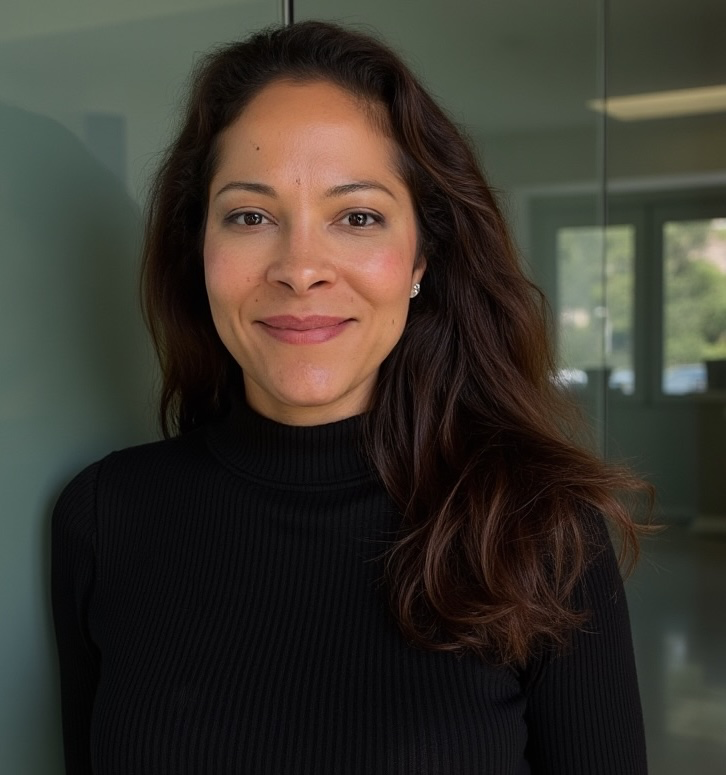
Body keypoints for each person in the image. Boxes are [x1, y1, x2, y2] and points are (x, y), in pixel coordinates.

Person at [52, 20, 651, 775]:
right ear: (199, 250)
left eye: (357, 216)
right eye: (250, 215)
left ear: (420, 259)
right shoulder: (105, 516)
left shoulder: (542, 531)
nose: (301, 268)